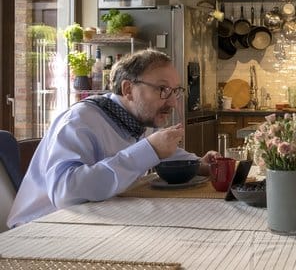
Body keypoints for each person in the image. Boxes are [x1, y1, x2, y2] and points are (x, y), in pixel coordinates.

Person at [8, 49, 217, 228]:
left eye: (175, 91)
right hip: (44, 229)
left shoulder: (136, 120)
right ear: (128, 90)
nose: (172, 102)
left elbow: (162, 151)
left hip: (93, 222)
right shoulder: (80, 120)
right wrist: (148, 150)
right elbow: (65, 192)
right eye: (163, 90)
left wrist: (198, 164)